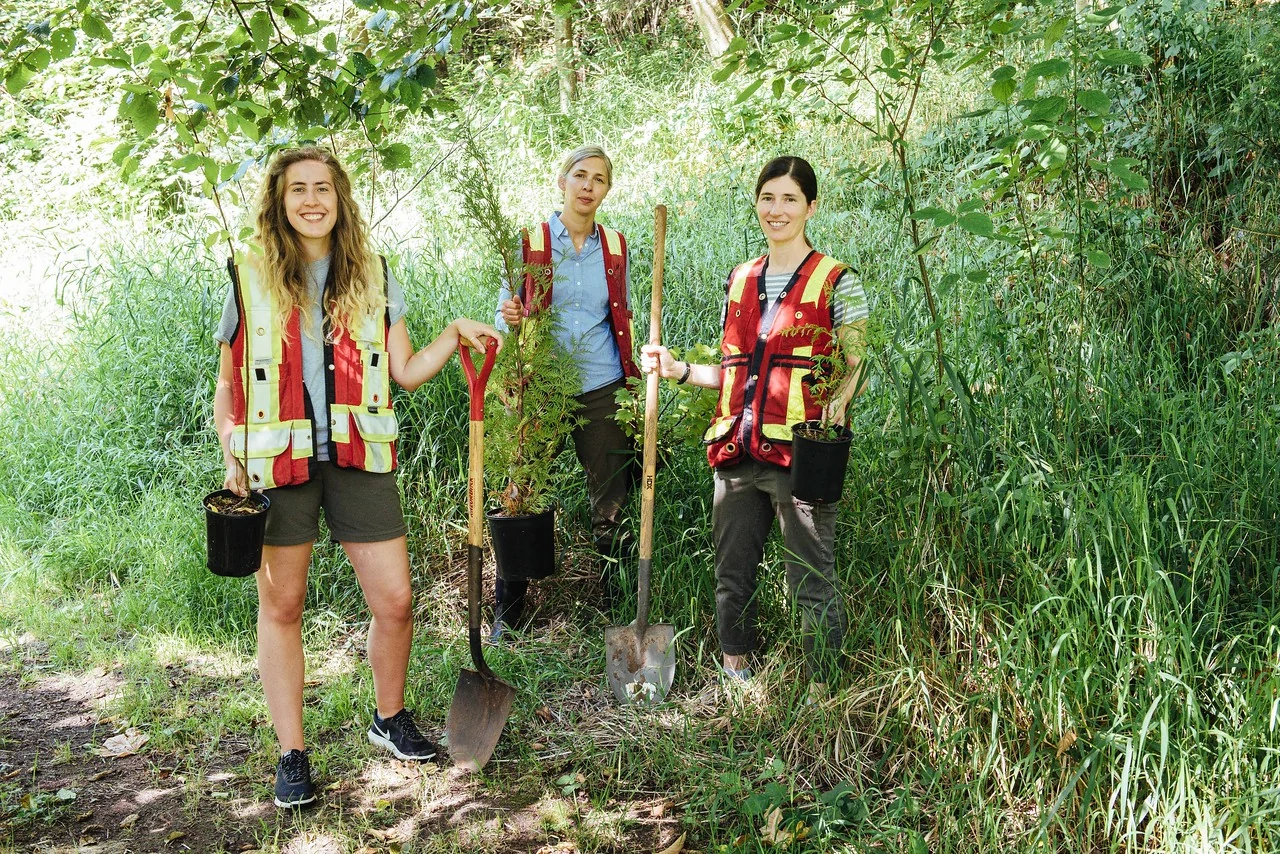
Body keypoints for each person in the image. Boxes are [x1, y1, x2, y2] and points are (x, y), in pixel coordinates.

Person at [213, 146, 502, 808]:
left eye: (323, 188)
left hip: (358, 453)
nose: (311, 200)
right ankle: (292, 754)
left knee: (395, 600)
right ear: (279, 203)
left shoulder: (372, 272)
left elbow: (403, 370)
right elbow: (227, 390)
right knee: (282, 605)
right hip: (277, 464)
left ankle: (389, 718)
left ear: (340, 198)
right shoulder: (247, 273)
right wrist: (232, 451)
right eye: (298, 190)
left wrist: (453, 334)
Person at [641, 156, 869, 698]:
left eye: (790, 199)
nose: (777, 209)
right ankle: (735, 673)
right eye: (768, 198)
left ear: (811, 207)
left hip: (802, 457)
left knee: (812, 580)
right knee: (732, 573)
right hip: (738, 451)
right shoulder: (741, 279)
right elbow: (738, 372)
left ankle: (821, 690)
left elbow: (855, 367)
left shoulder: (838, 280)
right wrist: (677, 370)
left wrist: (835, 412)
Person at [491, 145, 639, 640]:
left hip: (601, 384)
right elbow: (504, 310)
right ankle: (508, 610)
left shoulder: (615, 246)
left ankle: (616, 606)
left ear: (607, 189)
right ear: (562, 181)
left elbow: (619, 314)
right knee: (522, 492)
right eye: (579, 175)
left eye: (599, 178)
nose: (588, 186)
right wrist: (508, 319)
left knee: (611, 495)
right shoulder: (531, 243)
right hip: (544, 385)